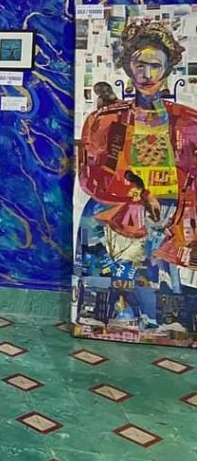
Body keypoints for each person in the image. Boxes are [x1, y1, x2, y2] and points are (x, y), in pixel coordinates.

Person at [78, 19, 197, 283]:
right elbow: (90, 177)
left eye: (155, 66)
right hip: (113, 213)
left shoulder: (189, 122)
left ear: (167, 69)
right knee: (106, 287)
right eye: (140, 65)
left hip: (171, 218)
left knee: (164, 289)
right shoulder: (105, 119)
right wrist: (140, 193)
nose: (147, 74)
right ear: (129, 67)